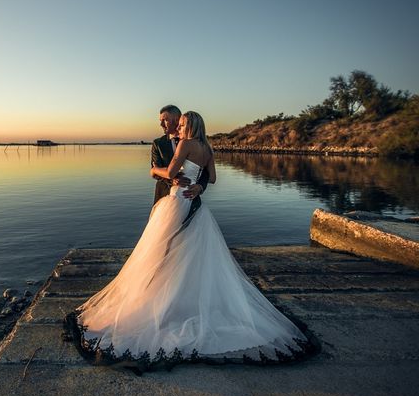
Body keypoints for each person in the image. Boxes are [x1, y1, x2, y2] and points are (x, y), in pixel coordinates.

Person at [64, 111, 316, 372]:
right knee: (191, 257)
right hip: (196, 205)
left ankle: (162, 303)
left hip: (176, 203)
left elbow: (171, 171)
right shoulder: (207, 148)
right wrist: (198, 186)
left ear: (190, 125)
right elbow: (213, 177)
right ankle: (180, 299)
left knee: (159, 254)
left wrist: (154, 170)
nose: (178, 127)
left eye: (182, 123)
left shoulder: (184, 144)